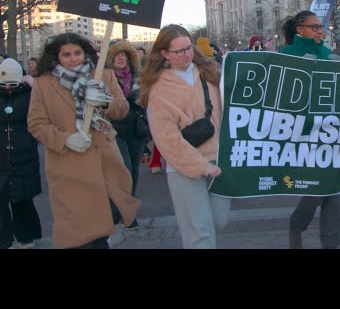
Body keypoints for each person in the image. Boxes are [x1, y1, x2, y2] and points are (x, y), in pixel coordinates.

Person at [27, 33, 140, 249]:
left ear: (86, 52)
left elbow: (122, 109)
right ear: (56, 57)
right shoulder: (43, 83)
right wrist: (66, 139)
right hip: (68, 167)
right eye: (66, 54)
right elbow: (37, 124)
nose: (73, 58)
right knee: (77, 236)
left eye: (77, 53)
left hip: (104, 166)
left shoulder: (103, 75)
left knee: (100, 233)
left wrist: (105, 102)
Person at [138, 24, 229, 249]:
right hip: (183, 168)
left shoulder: (210, 73)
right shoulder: (158, 87)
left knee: (219, 222)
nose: (187, 54)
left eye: (188, 48)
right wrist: (201, 166)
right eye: (179, 51)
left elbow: (232, 110)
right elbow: (166, 138)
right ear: (164, 53)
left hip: (219, 158)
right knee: (200, 233)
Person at [279, 10, 340, 249]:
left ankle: (331, 244)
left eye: (321, 27)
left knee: (334, 192)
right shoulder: (288, 54)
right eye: (314, 27)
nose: (319, 31)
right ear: (300, 29)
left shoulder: (327, 52)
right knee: (318, 188)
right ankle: (296, 226)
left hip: (332, 131)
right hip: (304, 134)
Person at [106, 39, 148, 230]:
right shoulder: (104, 78)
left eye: (124, 54)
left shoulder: (138, 77)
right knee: (125, 169)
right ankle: (121, 212)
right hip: (114, 130)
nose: (121, 58)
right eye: (116, 55)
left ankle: (127, 210)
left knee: (134, 172)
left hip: (136, 130)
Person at [0, 58, 42, 249]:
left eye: (11, 82)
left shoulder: (29, 95)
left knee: (21, 199)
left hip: (23, 155)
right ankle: (5, 240)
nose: (7, 87)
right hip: (2, 156)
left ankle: (27, 238)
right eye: (3, 83)